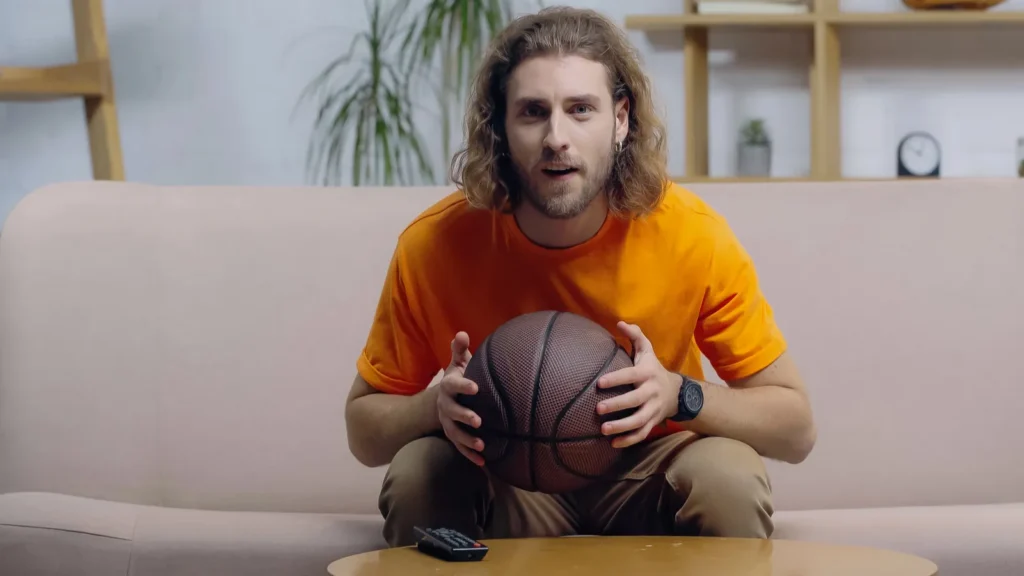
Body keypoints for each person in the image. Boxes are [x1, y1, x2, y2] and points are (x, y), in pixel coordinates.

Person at [345, 6, 816, 548]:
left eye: (580, 110)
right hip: (508, 472)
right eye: (532, 112)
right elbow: (364, 431)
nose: (556, 137)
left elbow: (797, 429)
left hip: (648, 471)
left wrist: (678, 395)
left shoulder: (692, 235)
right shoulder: (434, 245)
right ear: (499, 125)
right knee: (419, 469)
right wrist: (437, 406)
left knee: (728, 474)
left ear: (620, 120)